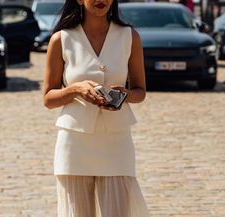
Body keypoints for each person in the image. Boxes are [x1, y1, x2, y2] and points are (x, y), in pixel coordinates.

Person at [43, 0, 149, 216]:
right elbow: (48, 98)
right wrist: (76, 89)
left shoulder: (130, 37)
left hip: (116, 141)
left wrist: (124, 95)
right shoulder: (61, 39)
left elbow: (140, 91)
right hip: (75, 142)